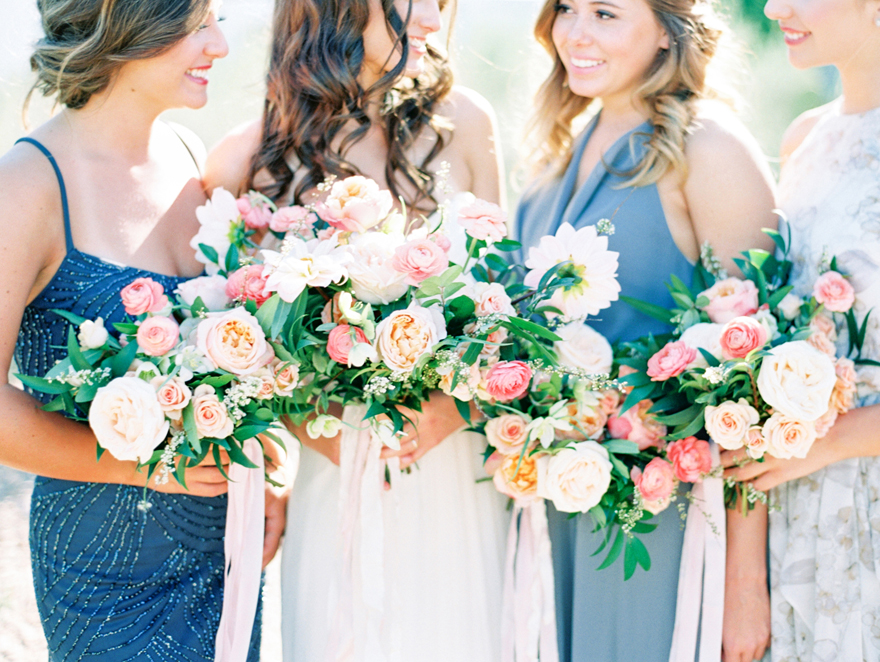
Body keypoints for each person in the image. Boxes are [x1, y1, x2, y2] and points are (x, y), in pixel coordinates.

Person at [204, 0, 508, 659]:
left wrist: (454, 407)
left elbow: (506, 311)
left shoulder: (468, 125)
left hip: (452, 471)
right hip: (332, 476)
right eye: (413, 1)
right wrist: (317, 427)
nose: (431, 19)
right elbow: (241, 355)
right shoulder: (253, 157)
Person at [0, 1, 284, 659]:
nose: (220, 45)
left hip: (222, 547)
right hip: (105, 565)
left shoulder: (191, 157)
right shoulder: (26, 185)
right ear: (132, 23)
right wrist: (149, 467)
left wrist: (272, 472)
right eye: (199, 24)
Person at [513, 0, 777, 660]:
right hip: (557, 508)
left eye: (606, 13)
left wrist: (746, 582)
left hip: (668, 514)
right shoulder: (556, 158)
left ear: (666, 29)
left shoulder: (706, 150)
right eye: (568, 7)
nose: (575, 32)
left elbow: (757, 384)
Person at [721, 0, 880, 658]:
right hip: (797, 515)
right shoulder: (803, 140)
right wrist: (744, 578)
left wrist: (828, 441)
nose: (773, 7)